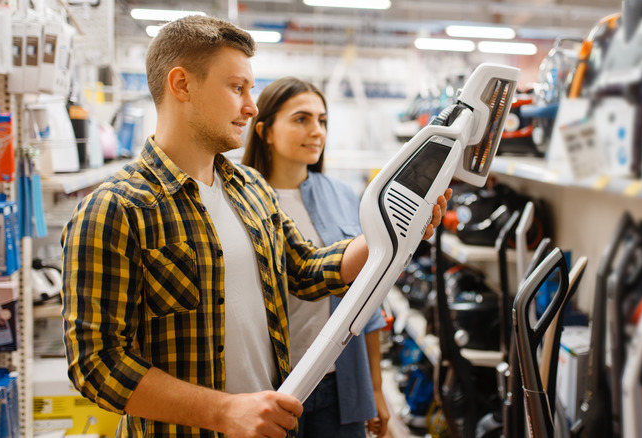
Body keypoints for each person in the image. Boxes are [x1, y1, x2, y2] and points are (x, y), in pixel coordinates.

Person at [61, 14, 449, 438]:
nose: (251, 105)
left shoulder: (250, 189)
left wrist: (394, 229)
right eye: (237, 88)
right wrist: (224, 412)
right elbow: (97, 365)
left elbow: (305, 270)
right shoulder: (115, 209)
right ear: (181, 84)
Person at [242, 77, 389, 437]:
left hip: (339, 382)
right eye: (301, 119)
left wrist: (376, 388)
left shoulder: (342, 195)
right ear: (266, 131)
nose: (316, 131)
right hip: (266, 386)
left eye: (322, 121)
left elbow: (366, 297)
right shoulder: (242, 198)